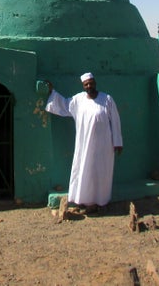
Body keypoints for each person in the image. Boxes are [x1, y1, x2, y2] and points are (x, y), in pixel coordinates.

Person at [46, 72, 123, 212]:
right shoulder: (78, 100)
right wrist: (52, 91)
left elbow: (116, 121)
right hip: (84, 144)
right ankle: (82, 200)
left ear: (95, 82)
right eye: (86, 84)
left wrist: (117, 142)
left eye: (91, 83)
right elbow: (63, 105)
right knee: (84, 170)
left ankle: (100, 201)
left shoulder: (107, 99)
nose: (89, 86)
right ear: (83, 86)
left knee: (101, 172)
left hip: (104, 145)